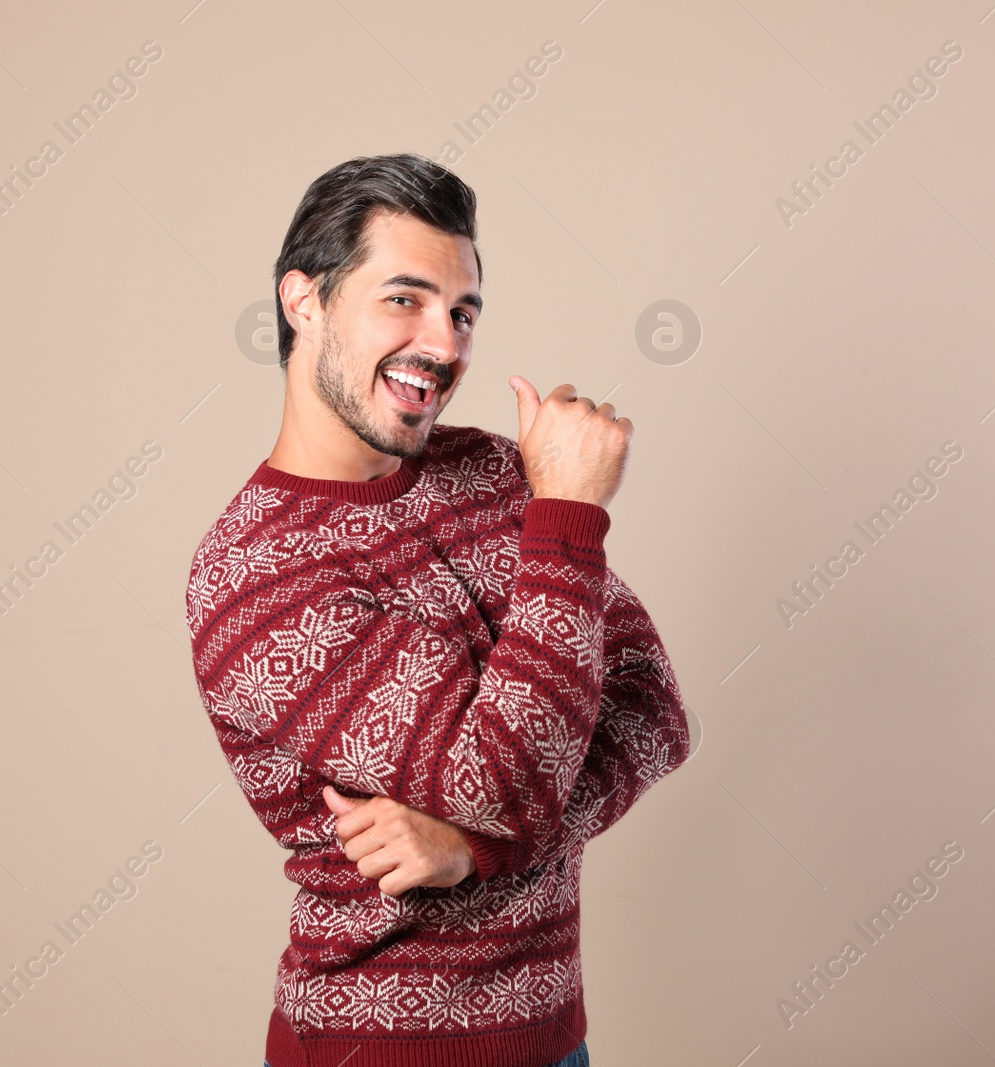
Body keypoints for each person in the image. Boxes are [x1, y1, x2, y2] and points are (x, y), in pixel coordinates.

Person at [185, 153, 690, 1067]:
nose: (447, 344)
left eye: (462, 312)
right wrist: (568, 516)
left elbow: (654, 710)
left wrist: (477, 850)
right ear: (305, 303)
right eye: (404, 299)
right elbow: (501, 781)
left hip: (554, 1040)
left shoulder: (496, 470)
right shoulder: (258, 570)